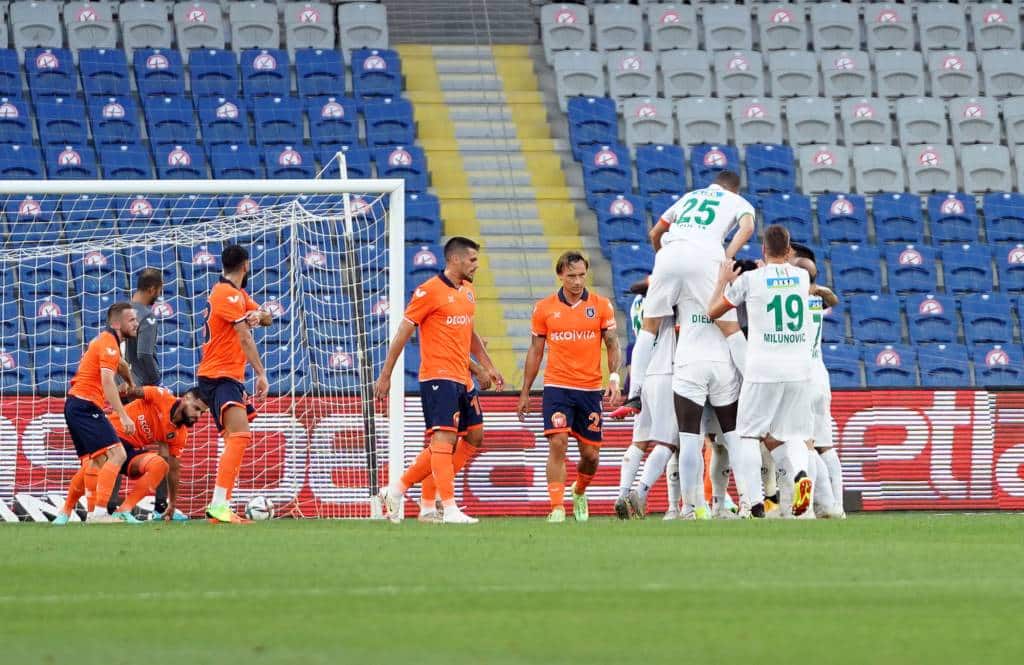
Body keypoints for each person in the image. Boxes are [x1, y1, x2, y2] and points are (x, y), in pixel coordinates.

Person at [375, 237, 503, 524]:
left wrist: (487, 367)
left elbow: (468, 333)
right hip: (438, 376)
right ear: (455, 260)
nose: (476, 265)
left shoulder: (468, 291)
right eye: (472, 260)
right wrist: (386, 375)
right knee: (443, 440)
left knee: (473, 436)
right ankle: (447, 506)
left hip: (462, 376)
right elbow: (402, 335)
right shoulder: (428, 292)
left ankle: (396, 490)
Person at [614, 170, 755, 418]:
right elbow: (748, 227)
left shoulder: (688, 197)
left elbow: (654, 233)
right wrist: (728, 255)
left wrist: (662, 259)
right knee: (729, 327)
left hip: (669, 254)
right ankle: (755, 389)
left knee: (649, 328)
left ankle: (634, 393)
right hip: (706, 257)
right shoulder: (737, 201)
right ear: (735, 189)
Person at [708, 225, 816, 517]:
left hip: (763, 369)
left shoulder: (752, 280)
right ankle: (801, 474)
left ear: (763, 249)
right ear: (789, 249)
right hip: (798, 369)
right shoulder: (802, 276)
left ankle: (754, 502)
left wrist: (724, 281)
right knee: (792, 434)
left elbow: (713, 312)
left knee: (746, 435)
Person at [516, 251, 622, 523]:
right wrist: (526, 391)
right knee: (558, 443)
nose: (577, 281)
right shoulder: (544, 308)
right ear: (560, 275)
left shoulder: (601, 306)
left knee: (590, 455)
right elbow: (535, 351)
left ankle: (579, 491)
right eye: (571, 276)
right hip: (557, 388)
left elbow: (612, 343)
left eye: (581, 275)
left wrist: (614, 378)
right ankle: (557, 508)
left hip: (589, 389)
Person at [198, 244, 274, 524]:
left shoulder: (237, 294)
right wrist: (261, 373)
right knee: (240, 436)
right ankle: (218, 505)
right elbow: (244, 336)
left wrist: (258, 316)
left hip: (226, 375)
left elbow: (267, 317)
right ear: (246, 265)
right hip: (219, 375)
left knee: (235, 438)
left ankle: (220, 509)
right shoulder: (226, 294)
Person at [55, 387, 209, 524]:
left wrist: (172, 505)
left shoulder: (180, 435)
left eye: (201, 412)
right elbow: (134, 391)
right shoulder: (161, 396)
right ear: (186, 398)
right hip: (110, 435)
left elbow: (174, 470)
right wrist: (123, 389)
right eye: (196, 408)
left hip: (129, 451)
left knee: (161, 465)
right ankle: (66, 510)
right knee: (91, 466)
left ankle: (124, 511)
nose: (198, 416)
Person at [58, 302, 140, 523]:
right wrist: (123, 414)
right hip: (85, 406)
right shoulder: (108, 342)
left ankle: (69, 513)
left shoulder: (107, 342)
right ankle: (99, 512)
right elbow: (106, 381)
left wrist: (130, 382)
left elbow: (121, 365)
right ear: (116, 323)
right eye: (131, 320)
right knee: (118, 454)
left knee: (96, 461)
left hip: (77, 405)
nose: (136, 323)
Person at [615, 278, 681, 520]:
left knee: (639, 440)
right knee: (668, 442)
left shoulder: (636, 303)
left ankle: (622, 493)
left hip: (642, 375)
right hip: (666, 371)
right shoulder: (667, 301)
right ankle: (640, 493)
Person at [790, 243, 844, 519]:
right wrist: (820, 289)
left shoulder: (791, 303)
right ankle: (837, 506)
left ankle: (808, 505)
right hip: (820, 375)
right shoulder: (814, 300)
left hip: (800, 376)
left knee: (806, 444)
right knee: (826, 445)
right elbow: (832, 299)